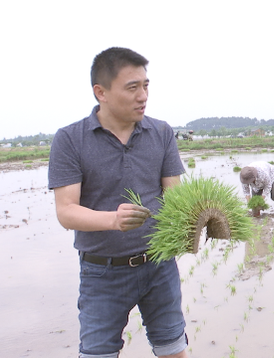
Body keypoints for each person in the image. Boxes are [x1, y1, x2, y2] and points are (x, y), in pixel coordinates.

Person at [48, 47, 189, 358]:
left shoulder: (161, 132)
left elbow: (175, 198)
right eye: (132, 87)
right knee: (98, 353)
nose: (143, 96)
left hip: (159, 265)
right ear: (101, 92)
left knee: (174, 349)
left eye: (146, 85)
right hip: (102, 273)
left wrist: (197, 220)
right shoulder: (70, 139)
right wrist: (112, 220)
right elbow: (66, 211)